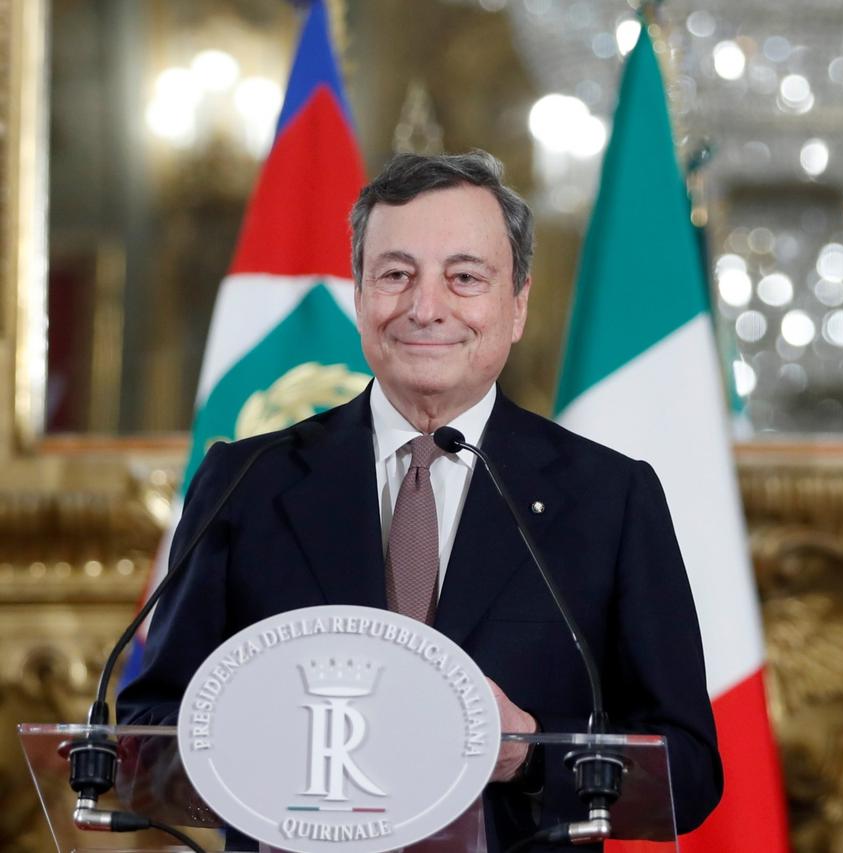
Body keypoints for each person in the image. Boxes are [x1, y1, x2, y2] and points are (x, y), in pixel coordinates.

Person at [118, 151, 723, 850]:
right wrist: (291, 736)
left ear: (517, 305)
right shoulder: (245, 480)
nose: (425, 308)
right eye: (396, 275)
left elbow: (686, 772)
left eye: (464, 277)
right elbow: (146, 737)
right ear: (359, 294)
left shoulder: (608, 498)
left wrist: (528, 752)